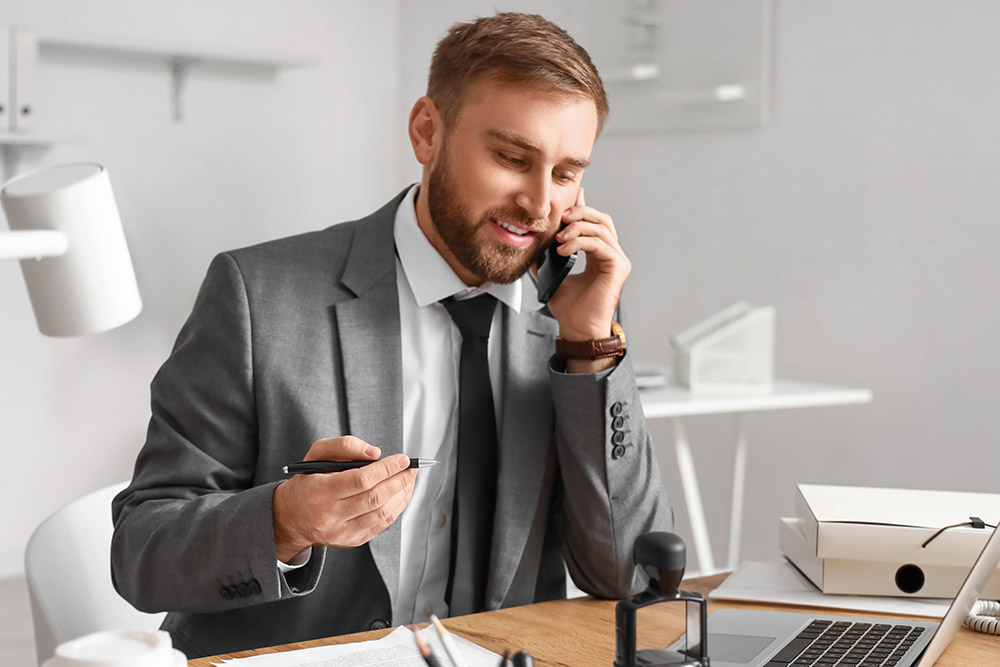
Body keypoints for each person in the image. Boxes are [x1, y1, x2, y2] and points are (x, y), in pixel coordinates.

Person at [111, 12, 672, 659]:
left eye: (567, 173)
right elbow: (141, 551)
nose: (540, 204)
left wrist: (590, 349)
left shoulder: (575, 317)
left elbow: (630, 574)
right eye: (512, 158)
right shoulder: (255, 295)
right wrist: (286, 520)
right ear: (427, 131)